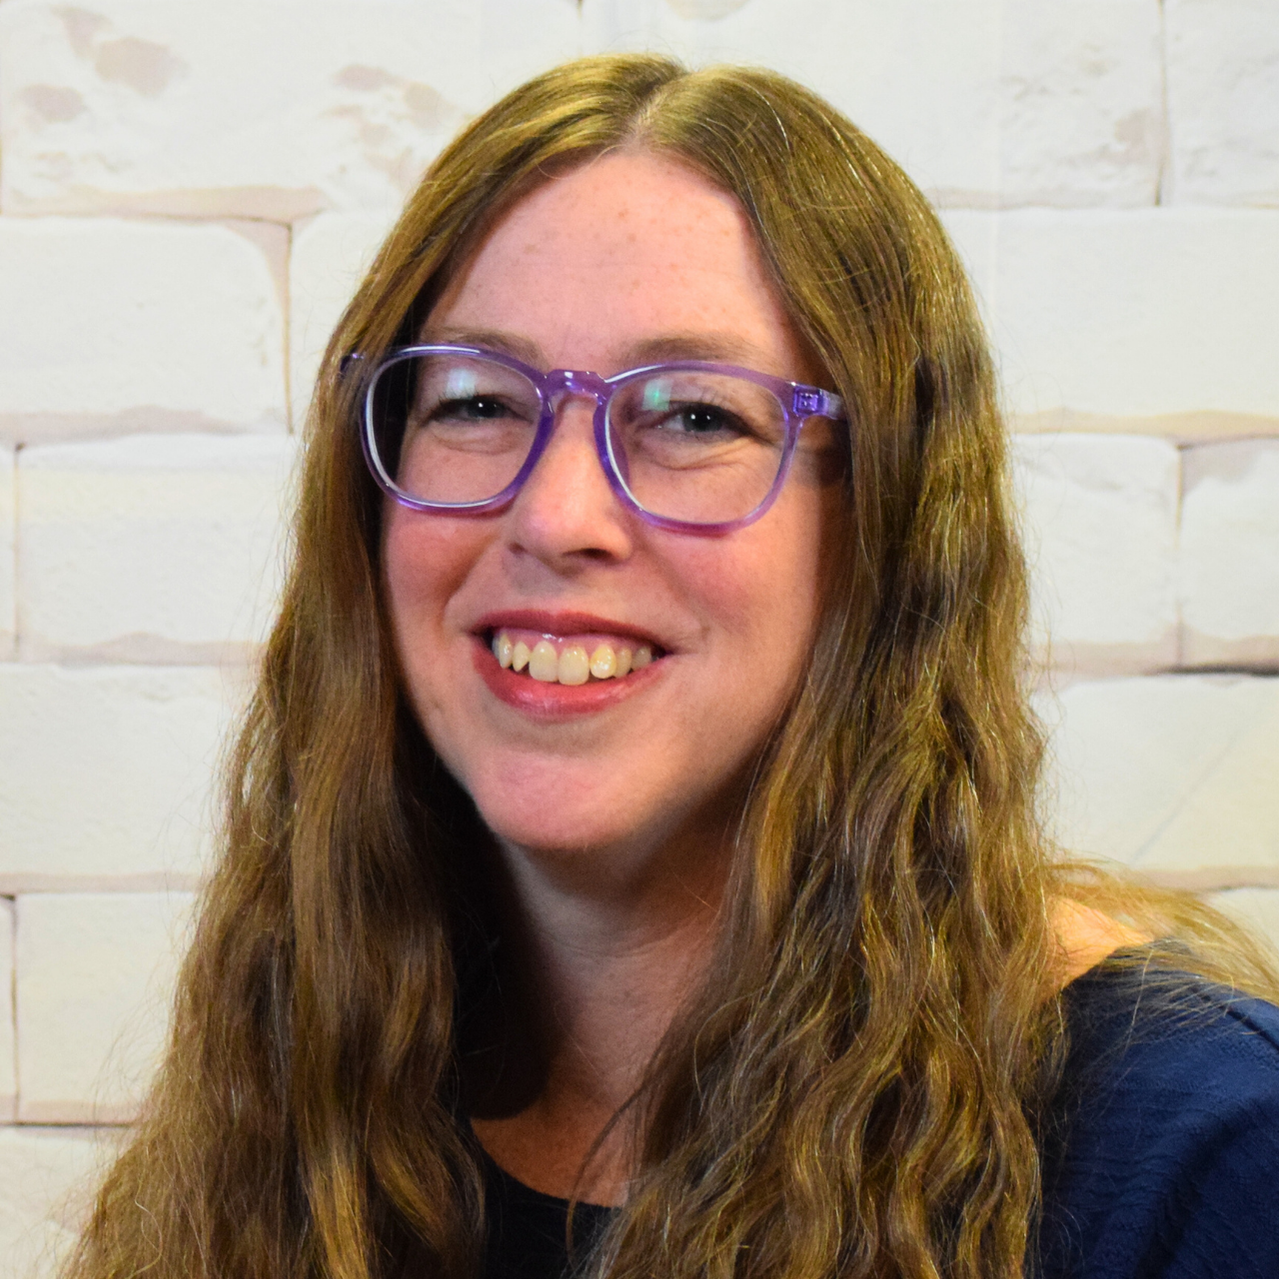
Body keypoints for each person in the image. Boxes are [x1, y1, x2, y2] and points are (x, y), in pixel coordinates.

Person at [67, 55, 1279, 1279]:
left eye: (696, 417)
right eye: (478, 401)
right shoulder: (303, 1099)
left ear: (885, 528)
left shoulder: (1204, 1157)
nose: (556, 516)